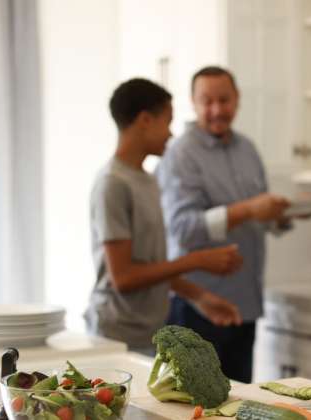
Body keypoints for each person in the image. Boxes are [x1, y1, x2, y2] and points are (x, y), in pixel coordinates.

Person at [85, 78, 244, 355]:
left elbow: (150, 266)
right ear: (145, 120)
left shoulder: (147, 179)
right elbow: (123, 277)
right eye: (167, 122)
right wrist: (196, 261)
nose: (170, 134)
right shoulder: (113, 184)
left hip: (149, 331)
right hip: (116, 336)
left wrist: (200, 298)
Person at [156, 66, 292, 383]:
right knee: (191, 410)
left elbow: (257, 218)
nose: (217, 110)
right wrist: (247, 209)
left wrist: (282, 214)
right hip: (198, 307)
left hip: (244, 305)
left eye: (224, 100)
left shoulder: (248, 149)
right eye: (207, 101)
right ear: (193, 102)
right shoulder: (180, 154)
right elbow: (182, 228)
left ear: (237, 100)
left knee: (238, 406)